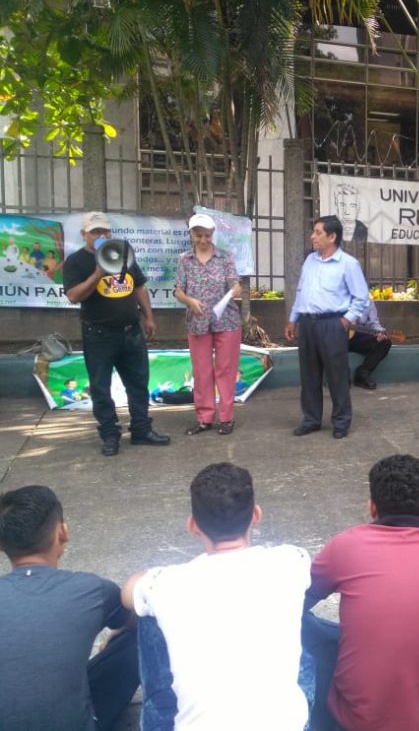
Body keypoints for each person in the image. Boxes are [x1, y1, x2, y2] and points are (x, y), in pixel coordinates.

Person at [121, 463, 310, 730]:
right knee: (301, 618)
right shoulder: (291, 561)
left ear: (193, 525)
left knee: (148, 614)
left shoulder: (167, 584)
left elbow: (127, 593)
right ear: (256, 515)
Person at [303, 455, 419, 731]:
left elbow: (294, 602)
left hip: (360, 717)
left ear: (372, 506)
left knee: (303, 623)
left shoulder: (347, 545)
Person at [0, 485, 139, 731]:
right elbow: (135, 620)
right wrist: (119, 630)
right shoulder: (91, 589)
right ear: (63, 532)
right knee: (142, 634)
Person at [63, 211, 170, 456]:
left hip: (131, 332)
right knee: (101, 388)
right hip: (99, 335)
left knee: (138, 384)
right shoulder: (76, 262)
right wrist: (97, 274)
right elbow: (73, 296)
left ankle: (141, 430)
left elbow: (139, 286)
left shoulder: (122, 254)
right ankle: (110, 435)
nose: (101, 235)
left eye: (105, 231)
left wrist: (149, 317)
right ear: (84, 234)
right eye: (95, 232)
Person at [285, 215, 370, 439]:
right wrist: (293, 319)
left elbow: (361, 297)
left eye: (318, 232)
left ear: (332, 237)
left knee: (337, 376)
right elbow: (301, 292)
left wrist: (346, 320)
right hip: (307, 324)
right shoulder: (310, 261)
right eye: (313, 232)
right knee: (309, 375)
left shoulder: (348, 264)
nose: (312, 237)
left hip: (333, 324)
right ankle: (311, 420)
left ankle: (341, 421)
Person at [173, 212, 243, 436]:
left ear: (213, 234)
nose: (203, 240)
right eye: (198, 235)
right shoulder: (184, 259)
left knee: (226, 369)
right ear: (191, 234)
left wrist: (236, 289)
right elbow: (178, 290)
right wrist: (189, 301)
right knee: (202, 371)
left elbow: (234, 283)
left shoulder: (225, 257)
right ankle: (204, 418)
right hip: (198, 321)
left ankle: (227, 417)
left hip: (227, 320)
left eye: (207, 235)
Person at [347, 298, 392, 390]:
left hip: (357, 338)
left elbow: (374, 323)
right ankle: (341, 376)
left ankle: (362, 374)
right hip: (338, 337)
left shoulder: (368, 301)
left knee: (384, 342)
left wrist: (380, 333)